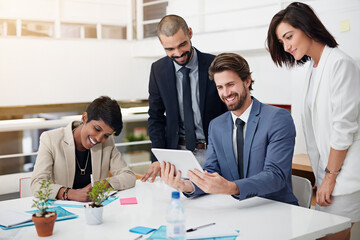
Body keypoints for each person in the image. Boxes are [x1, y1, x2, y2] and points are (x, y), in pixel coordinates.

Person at [266, 2, 360, 239]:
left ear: (307, 28)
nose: (286, 46)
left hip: (343, 177)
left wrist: (329, 177)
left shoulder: (340, 64)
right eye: (281, 42)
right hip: (327, 174)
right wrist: (323, 176)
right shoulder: (311, 68)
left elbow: (343, 128)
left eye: (289, 37)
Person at [161, 53, 298, 205]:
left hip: (275, 209)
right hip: (236, 209)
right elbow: (211, 172)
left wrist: (230, 187)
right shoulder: (216, 125)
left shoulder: (277, 118)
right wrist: (186, 186)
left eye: (230, 84)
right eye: (220, 87)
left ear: (247, 81)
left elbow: (275, 176)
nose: (226, 93)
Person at [142, 15, 227, 182]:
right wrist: (158, 157)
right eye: (170, 49)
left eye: (182, 45)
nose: (179, 54)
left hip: (214, 152)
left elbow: (229, 111)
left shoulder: (215, 64)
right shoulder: (158, 70)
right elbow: (156, 117)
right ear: (161, 44)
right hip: (176, 155)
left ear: (189, 33)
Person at [31, 96, 136, 202]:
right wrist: (71, 194)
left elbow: (129, 176)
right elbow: (37, 184)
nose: (99, 138)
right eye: (97, 129)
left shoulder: (107, 143)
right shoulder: (51, 139)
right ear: (84, 118)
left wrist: (106, 183)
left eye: (106, 135)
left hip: (95, 209)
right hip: (63, 209)